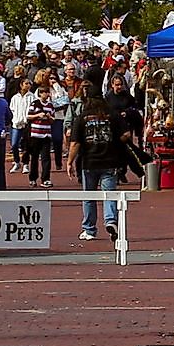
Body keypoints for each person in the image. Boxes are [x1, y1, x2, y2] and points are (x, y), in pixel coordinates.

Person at [67, 81, 129, 242]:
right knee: (109, 194)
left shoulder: (82, 117)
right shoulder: (112, 114)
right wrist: (116, 142)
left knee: (89, 196)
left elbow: (75, 143)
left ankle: (89, 229)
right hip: (110, 160)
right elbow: (126, 134)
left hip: (89, 161)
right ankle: (110, 220)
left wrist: (69, 162)